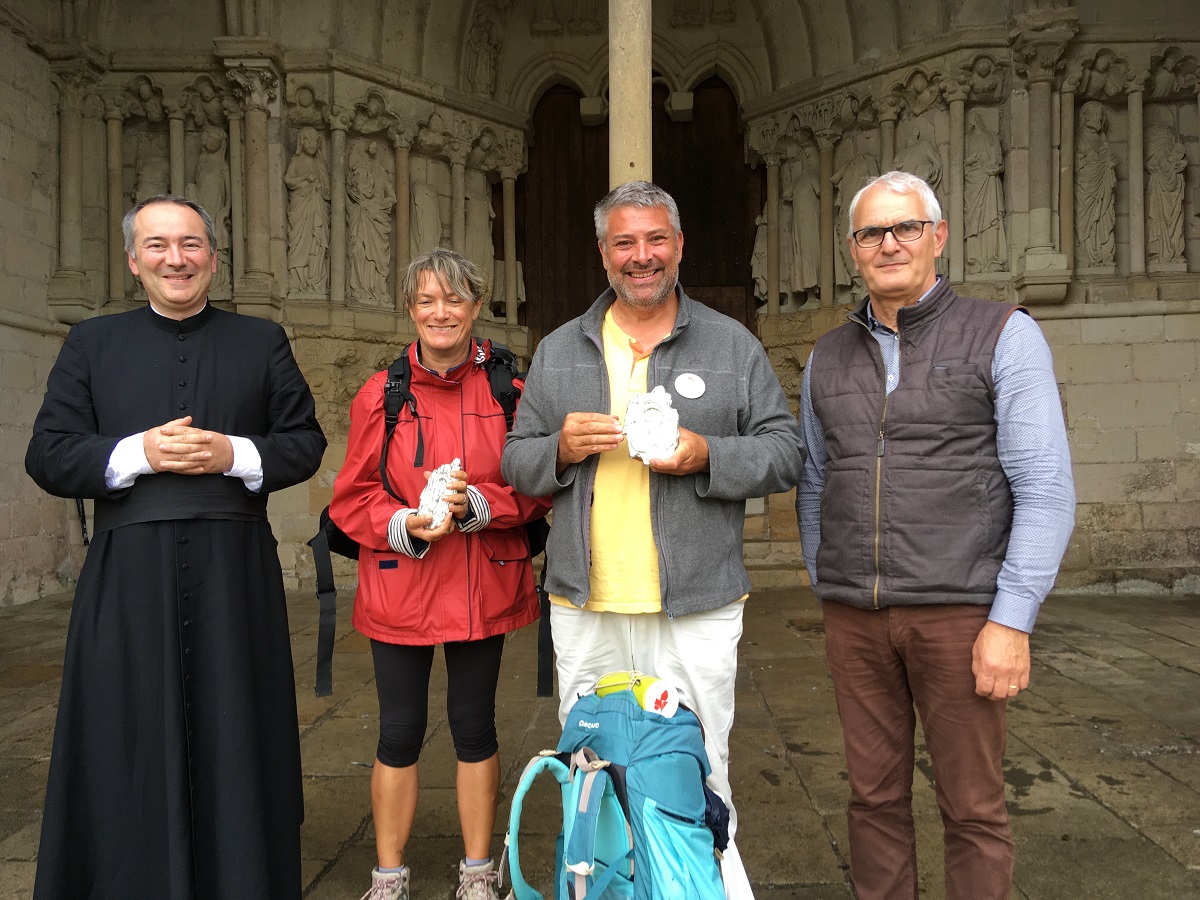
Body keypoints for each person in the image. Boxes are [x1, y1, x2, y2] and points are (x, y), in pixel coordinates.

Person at [501, 180, 806, 899]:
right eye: (625, 243)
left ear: (679, 245)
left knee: (698, 767)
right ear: (604, 254)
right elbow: (516, 458)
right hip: (587, 603)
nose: (643, 257)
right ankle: (603, 887)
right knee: (590, 767)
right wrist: (561, 450)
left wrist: (708, 456)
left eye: (655, 240)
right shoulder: (559, 349)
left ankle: (698, 888)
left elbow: (786, 452)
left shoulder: (731, 344)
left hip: (695, 605)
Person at [26, 195, 327, 898]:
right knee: (124, 732)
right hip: (127, 575)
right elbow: (49, 454)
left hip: (234, 575)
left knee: (235, 728)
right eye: (158, 246)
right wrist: (140, 452)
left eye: (191, 245)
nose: (176, 259)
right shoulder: (91, 344)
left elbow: (304, 443)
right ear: (134, 261)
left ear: (213, 259)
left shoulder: (262, 340)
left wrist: (231, 451)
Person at [796, 171, 1075, 900]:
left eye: (905, 227)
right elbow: (818, 480)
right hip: (856, 617)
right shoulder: (827, 357)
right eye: (870, 233)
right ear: (852, 250)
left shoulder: (1002, 333)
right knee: (873, 800)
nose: (888, 244)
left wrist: (1011, 619)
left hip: (961, 613)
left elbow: (1046, 489)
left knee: (973, 808)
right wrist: (830, 581)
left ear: (938, 236)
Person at [329, 249, 551, 900]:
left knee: (474, 724)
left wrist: (484, 505)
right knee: (398, 729)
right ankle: (388, 876)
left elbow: (540, 486)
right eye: (426, 300)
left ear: (477, 306)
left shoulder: (512, 389)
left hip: (483, 578)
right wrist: (403, 522)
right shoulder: (383, 393)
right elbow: (351, 496)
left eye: (453, 299)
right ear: (410, 310)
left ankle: (478, 874)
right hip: (404, 581)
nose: (440, 312)